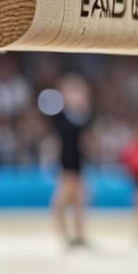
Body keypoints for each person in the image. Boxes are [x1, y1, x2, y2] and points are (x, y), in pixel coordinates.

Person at [51, 74, 93, 249]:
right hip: (67, 162)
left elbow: (87, 139)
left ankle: (79, 234)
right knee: (62, 199)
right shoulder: (61, 114)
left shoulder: (84, 115)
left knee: (80, 200)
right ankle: (62, 233)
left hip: (79, 163)